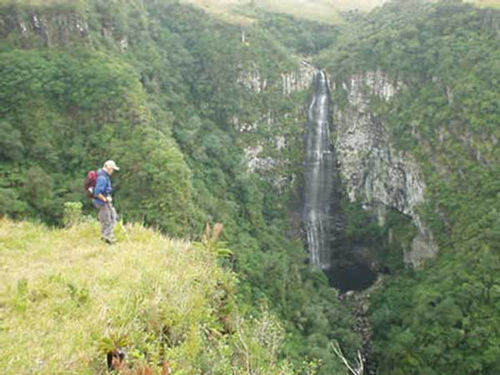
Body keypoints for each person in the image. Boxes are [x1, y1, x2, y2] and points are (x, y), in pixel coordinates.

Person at [93, 160, 120, 244]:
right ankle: (106, 237)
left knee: (113, 216)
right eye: (112, 169)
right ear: (108, 168)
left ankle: (107, 236)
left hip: (104, 201)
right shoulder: (102, 178)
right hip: (101, 202)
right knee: (107, 219)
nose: (113, 171)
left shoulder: (102, 174)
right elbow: (97, 192)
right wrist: (105, 199)